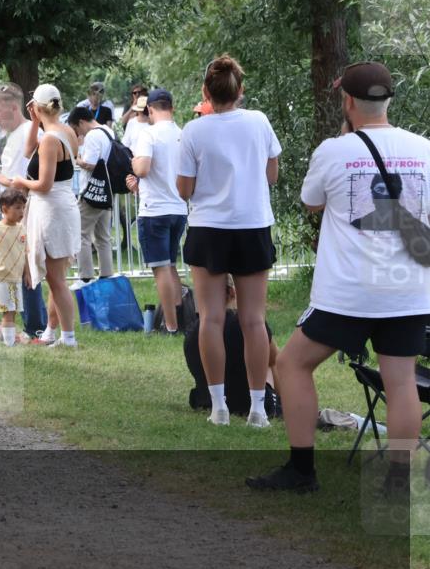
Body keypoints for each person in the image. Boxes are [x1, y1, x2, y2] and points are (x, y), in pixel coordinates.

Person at [249, 61, 430, 493]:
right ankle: (400, 480)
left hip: (348, 291)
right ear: (388, 100)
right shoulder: (424, 148)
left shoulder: (334, 150)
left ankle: (301, 470)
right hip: (408, 289)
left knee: (292, 364)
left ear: (348, 101)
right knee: (401, 379)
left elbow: (311, 202)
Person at [177, 54, 281, 427]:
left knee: (211, 319)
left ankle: (219, 406)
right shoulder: (259, 121)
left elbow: (185, 188)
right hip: (252, 225)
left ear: (206, 93)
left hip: (208, 229)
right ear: (241, 90)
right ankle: (257, 408)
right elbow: (271, 175)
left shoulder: (193, 130)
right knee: (254, 321)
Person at [0, 84, 81, 347]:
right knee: (55, 276)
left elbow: (44, 184)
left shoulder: (50, 140)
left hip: (51, 206)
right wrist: (35, 122)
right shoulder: (64, 131)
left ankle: (68, 337)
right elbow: (27, 151)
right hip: (61, 204)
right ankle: (50, 331)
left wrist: (20, 181)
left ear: (36, 106)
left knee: (56, 279)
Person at [0, 83, 49, 338]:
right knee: (19, 265)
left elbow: (18, 179)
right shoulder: (16, 135)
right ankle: (33, 324)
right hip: (17, 210)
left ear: (13, 108)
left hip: (26, 209)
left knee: (26, 266)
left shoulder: (29, 134)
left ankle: (36, 326)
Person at [126, 89, 187, 333]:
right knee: (171, 265)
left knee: (160, 268)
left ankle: (170, 325)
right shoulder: (183, 134)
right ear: (171, 107)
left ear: (150, 110)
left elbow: (142, 168)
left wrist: (131, 160)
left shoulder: (147, 133)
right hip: (178, 208)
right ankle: (182, 319)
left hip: (154, 211)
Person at [186, 275, 280, 416]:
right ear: (232, 292)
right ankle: (281, 399)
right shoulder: (250, 326)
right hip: (247, 402)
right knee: (270, 362)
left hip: (206, 401)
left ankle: (218, 399)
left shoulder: (194, 331)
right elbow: (275, 359)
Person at [67, 106, 115, 284]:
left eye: (75, 128)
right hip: (106, 191)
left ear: (81, 122)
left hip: (91, 193)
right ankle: (106, 275)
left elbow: (90, 163)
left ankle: (85, 276)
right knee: (103, 237)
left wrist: (77, 158)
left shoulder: (93, 135)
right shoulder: (108, 131)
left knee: (81, 234)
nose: (77, 133)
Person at [0, 189, 29, 346]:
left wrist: (27, 274)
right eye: (17, 207)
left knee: (12, 310)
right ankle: (9, 343)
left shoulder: (22, 229)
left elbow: (25, 253)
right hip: (1, 277)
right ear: (4, 209)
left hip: (16, 277)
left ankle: (6, 338)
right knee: (8, 311)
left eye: (23, 207)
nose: (21, 211)